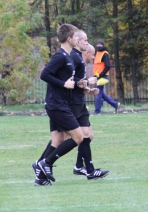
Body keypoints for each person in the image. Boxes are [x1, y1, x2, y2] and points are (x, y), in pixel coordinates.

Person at [32, 23, 86, 186]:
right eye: (76, 36)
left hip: (59, 103)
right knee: (79, 137)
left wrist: (79, 84)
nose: (78, 39)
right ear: (69, 39)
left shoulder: (68, 57)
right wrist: (63, 84)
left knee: (58, 139)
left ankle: (40, 177)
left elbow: (66, 80)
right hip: (57, 105)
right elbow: (44, 74)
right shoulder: (60, 56)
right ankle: (45, 163)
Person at [70, 31, 109, 179]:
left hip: (80, 103)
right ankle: (44, 162)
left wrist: (87, 89)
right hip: (73, 105)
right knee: (61, 139)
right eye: (92, 55)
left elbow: (77, 85)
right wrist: (86, 83)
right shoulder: (75, 61)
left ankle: (81, 166)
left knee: (88, 135)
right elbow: (71, 83)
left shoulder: (80, 64)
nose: (93, 58)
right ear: (86, 53)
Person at [93, 39, 120, 115]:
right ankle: (115, 104)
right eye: (97, 45)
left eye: (100, 45)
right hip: (98, 75)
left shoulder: (105, 53)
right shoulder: (97, 53)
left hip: (102, 75)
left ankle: (97, 111)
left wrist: (101, 74)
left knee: (98, 92)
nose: (98, 46)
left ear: (103, 45)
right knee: (101, 93)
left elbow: (107, 66)